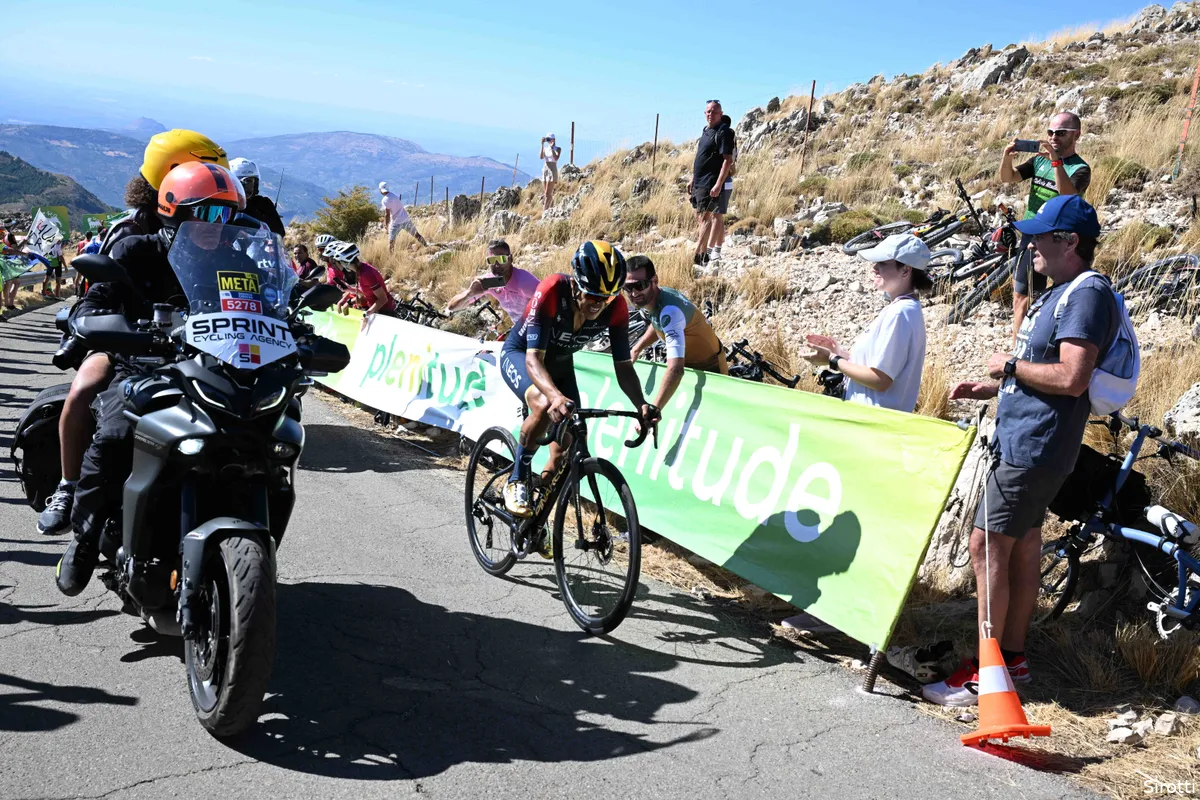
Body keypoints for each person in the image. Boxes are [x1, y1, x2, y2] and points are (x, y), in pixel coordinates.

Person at [924, 195, 1115, 706]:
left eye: (1041, 235)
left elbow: (1072, 379)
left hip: (1035, 447)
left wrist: (1008, 369)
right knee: (1024, 545)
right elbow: (1046, 371)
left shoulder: (1086, 294)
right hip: (1026, 439)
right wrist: (995, 389)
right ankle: (1011, 660)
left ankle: (989, 673)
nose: (1029, 244)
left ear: (1070, 241)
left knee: (986, 546)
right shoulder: (1059, 293)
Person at [55, 161, 248, 594]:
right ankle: (84, 537)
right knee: (117, 435)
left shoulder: (236, 260)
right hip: (142, 365)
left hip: (213, 368)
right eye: (207, 213)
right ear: (173, 212)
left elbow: (266, 302)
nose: (218, 225)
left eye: (227, 214)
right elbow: (94, 302)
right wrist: (105, 325)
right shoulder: (136, 251)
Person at [36, 131, 229, 536]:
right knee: (84, 390)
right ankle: (69, 486)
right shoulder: (132, 231)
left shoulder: (219, 229)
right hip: (129, 337)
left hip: (196, 344)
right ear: (171, 175)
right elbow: (98, 291)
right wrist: (103, 328)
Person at [499, 240, 660, 517]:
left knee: (566, 444)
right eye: (594, 297)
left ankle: (537, 520)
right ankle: (516, 478)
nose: (601, 304)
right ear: (576, 286)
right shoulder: (551, 290)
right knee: (542, 404)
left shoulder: (616, 307)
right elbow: (533, 360)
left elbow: (623, 367)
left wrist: (641, 404)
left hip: (560, 363)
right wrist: (554, 396)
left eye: (608, 297)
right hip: (522, 354)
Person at [801, 233, 931, 412]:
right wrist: (840, 353)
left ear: (905, 270)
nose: (874, 268)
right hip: (870, 422)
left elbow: (880, 380)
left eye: (883, 263)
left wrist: (833, 360)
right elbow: (876, 367)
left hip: (874, 424)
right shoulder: (902, 309)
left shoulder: (900, 313)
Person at [998, 111, 1091, 339]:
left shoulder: (1080, 168)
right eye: (1050, 132)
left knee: (1064, 296)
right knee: (1023, 295)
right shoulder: (1039, 160)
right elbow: (1009, 178)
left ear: (1076, 135)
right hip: (1034, 235)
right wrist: (1007, 157)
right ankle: (1018, 354)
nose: (1053, 137)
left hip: (1063, 240)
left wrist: (1056, 162)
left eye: (1061, 133)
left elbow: (1067, 193)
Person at [624, 255, 727, 408]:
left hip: (710, 367)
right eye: (628, 287)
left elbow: (676, 369)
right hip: (691, 364)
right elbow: (658, 324)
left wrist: (655, 409)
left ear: (655, 281)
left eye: (640, 286)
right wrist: (637, 349)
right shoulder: (658, 298)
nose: (634, 294)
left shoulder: (670, 312)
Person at [445, 239, 539, 324]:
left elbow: (550, 299)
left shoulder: (523, 281)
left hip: (538, 324)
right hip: (519, 328)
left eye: (501, 259)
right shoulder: (491, 282)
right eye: (492, 260)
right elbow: (452, 307)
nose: (496, 265)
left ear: (510, 259)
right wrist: (469, 294)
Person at [687, 100, 735, 267]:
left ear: (720, 114)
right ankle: (703, 253)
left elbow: (727, 160)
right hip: (699, 182)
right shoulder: (706, 131)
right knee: (700, 216)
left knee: (709, 217)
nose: (710, 114)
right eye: (708, 111)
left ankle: (700, 255)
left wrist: (718, 184)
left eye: (714, 111)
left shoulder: (723, 133)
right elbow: (702, 157)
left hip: (710, 182)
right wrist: (693, 178)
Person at [326, 241, 400, 322]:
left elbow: (383, 299)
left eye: (339, 262)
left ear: (345, 262)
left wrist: (367, 314)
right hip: (377, 310)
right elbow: (367, 293)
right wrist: (350, 289)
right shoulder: (360, 270)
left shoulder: (366, 274)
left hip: (385, 311)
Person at [705, 114, 737, 265]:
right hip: (727, 181)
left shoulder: (726, 139)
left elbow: (728, 162)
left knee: (716, 216)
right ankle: (717, 249)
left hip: (723, 181)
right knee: (718, 216)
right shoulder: (730, 139)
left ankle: (711, 250)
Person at [229, 157, 285, 236]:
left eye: (251, 182)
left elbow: (279, 232)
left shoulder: (263, 204)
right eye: (246, 183)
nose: (248, 188)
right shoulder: (226, 205)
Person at [379, 182, 428, 249]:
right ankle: (427, 246)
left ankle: (391, 257)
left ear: (380, 190)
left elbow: (387, 214)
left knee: (391, 242)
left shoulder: (384, 200)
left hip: (395, 223)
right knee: (416, 235)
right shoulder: (395, 195)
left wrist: (386, 225)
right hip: (405, 219)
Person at [540, 133, 561, 211]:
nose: (548, 141)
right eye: (547, 139)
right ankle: (551, 209)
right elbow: (541, 157)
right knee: (546, 193)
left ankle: (545, 211)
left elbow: (556, 158)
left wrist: (552, 148)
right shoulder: (545, 148)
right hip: (545, 169)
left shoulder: (558, 148)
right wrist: (542, 145)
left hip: (552, 169)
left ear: (554, 140)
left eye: (549, 139)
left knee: (547, 193)